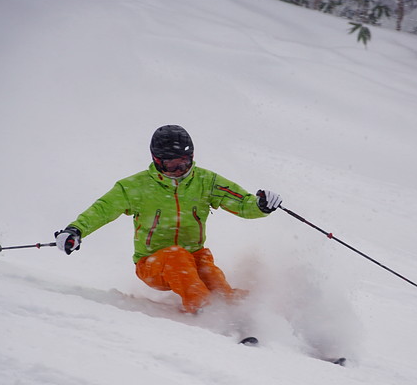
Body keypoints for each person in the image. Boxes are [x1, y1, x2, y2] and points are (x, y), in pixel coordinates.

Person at [54, 125, 282, 314]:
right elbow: (103, 210)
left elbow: (243, 203)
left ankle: (249, 313)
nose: (178, 169)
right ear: (156, 160)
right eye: (170, 164)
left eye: (183, 162)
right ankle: (208, 315)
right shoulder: (135, 187)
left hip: (194, 257)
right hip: (152, 264)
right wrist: (75, 230)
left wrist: (261, 205)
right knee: (176, 256)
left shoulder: (206, 181)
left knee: (212, 278)